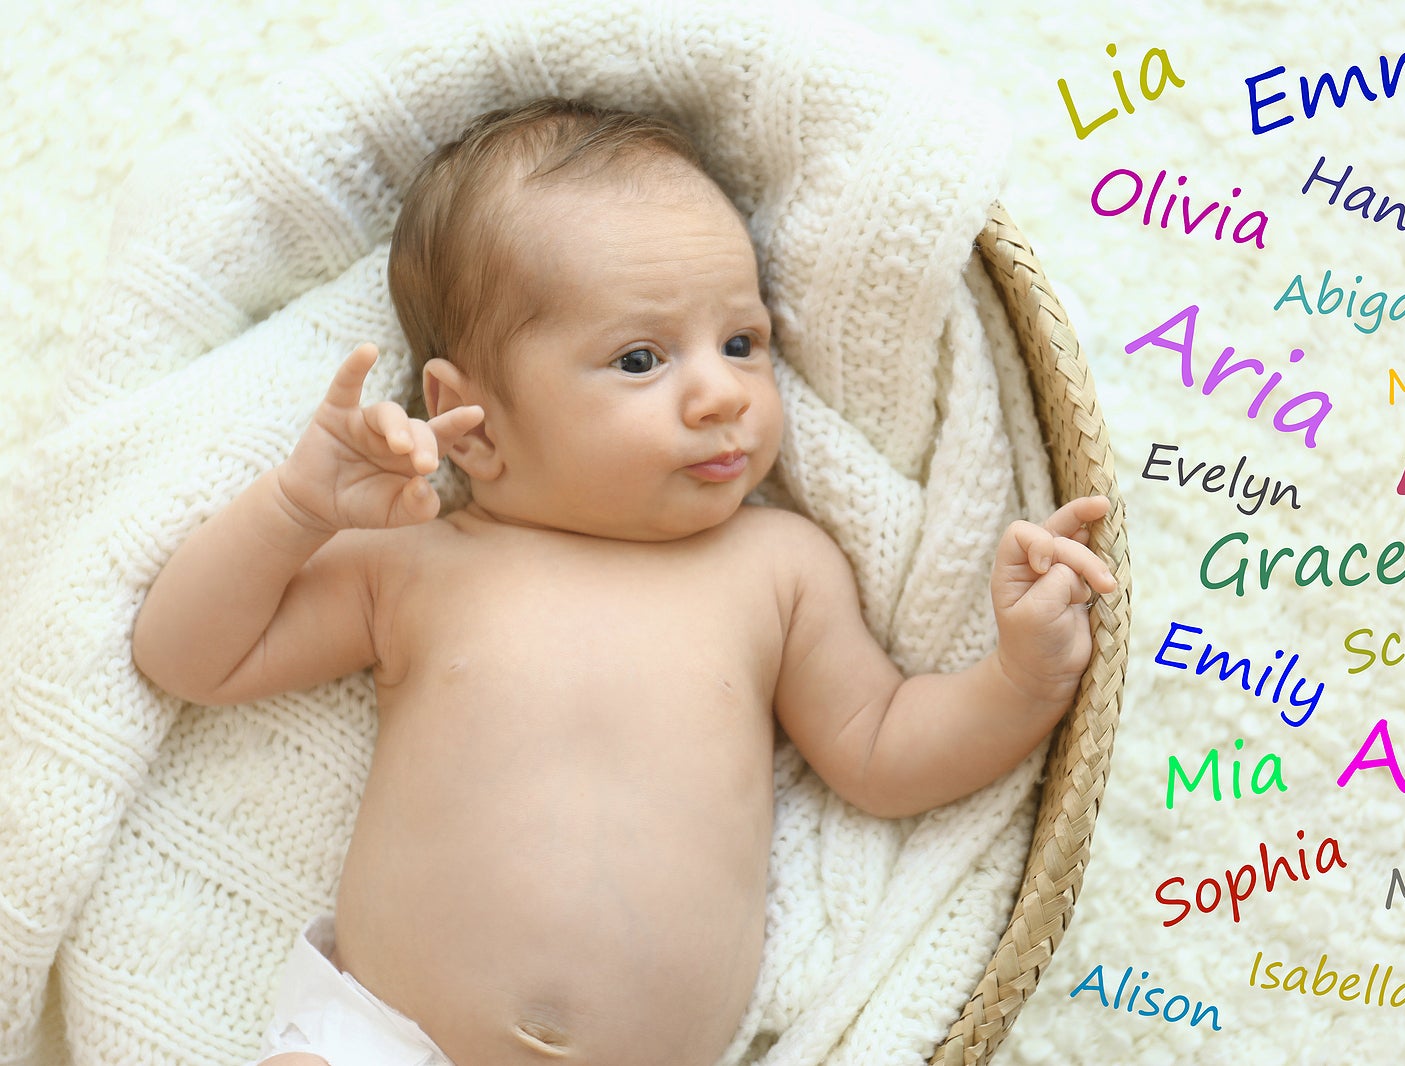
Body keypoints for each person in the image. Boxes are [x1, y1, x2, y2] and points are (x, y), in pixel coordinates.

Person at [131, 98, 1117, 1066]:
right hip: (380, 1041)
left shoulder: (775, 567)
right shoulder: (419, 560)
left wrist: (1021, 676)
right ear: (469, 415)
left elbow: (880, 750)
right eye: (641, 358)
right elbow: (186, 656)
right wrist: (297, 511)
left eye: (742, 341)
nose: (722, 390)